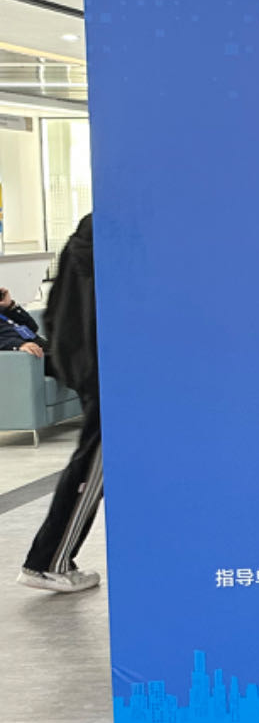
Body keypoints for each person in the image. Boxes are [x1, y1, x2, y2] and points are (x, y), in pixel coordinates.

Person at [18, 214, 102, 594]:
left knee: (94, 459)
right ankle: (48, 561)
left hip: (85, 360)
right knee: (95, 462)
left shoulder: (88, 233)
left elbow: (55, 311)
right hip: (106, 368)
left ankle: (50, 559)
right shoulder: (111, 236)